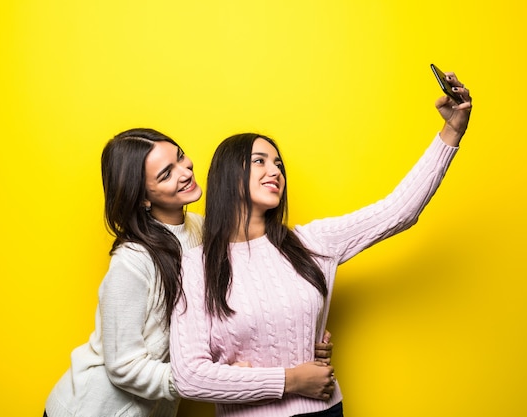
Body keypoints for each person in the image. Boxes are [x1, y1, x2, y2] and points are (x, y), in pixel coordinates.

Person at [168, 72, 472, 417]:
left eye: (278, 164)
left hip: (325, 412)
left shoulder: (312, 242)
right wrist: (290, 381)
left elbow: (399, 210)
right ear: (228, 176)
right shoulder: (196, 265)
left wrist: (452, 131)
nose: (275, 171)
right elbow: (188, 376)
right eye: (260, 161)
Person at [44, 128, 336, 417]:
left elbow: (249, 295)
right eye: (166, 174)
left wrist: (299, 340)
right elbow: (123, 366)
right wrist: (203, 379)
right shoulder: (131, 262)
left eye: (180, 157)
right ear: (143, 198)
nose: (185, 171)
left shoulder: (203, 228)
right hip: (93, 408)